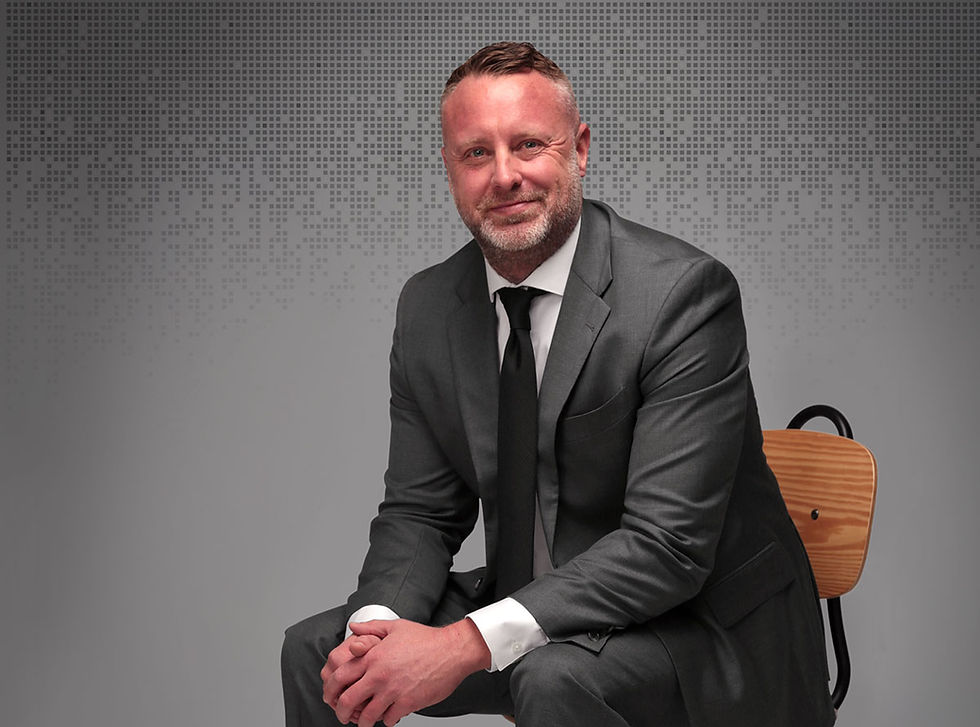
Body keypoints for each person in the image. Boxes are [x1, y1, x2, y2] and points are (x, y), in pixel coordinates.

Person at [281, 41, 835, 727]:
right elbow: (420, 513)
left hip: (703, 632)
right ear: (450, 170)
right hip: (534, 610)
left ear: (579, 149)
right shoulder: (429, 308)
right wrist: (375, 633)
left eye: (529, 145)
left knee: (551, 679)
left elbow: (667, 548)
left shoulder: (682, 296)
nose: (505, 175)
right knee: (321, 652)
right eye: (476, 153)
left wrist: (465, 642)